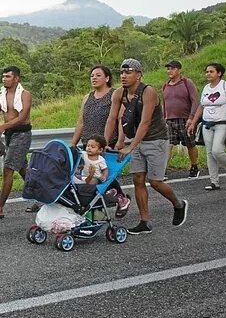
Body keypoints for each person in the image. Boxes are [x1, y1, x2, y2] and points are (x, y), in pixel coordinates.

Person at [104, 58, 189, 234]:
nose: (124, 75)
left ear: (138, 75)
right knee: (138, 180)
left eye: (128, 72)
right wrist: (104, 143)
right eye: (122, 72)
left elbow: (145, 122)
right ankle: (145, 221)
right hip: (138, 140)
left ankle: (178, 204)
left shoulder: (148, 92)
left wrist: (130, 147)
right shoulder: (119, 93)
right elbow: (112, 118)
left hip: (156, 139)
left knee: (156, 182)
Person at [70, 65, 131, 214]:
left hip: (106, 144)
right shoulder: (87, 97)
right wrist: (73, 143)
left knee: (104, 174)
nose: (94, 78)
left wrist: (120, 141)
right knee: (89, 177)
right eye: (92, 75)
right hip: (88, 144)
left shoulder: (114, 95)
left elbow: (120, 119)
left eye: (98, 75)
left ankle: (121, 198)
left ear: (107, 78)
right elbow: (81, 122)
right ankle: (98, 207)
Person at [0, 65, 32, 219]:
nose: (4, 79)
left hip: (22, 134)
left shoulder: (25, 94)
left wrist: (3, 126)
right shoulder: (1, 94)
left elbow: (22, 117)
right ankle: (41, 199)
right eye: (3, 76)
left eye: (8, 76)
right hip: (10, 135)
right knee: (24, 169)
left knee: (8, 169)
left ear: (17, 78)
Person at [186, 63, 226, 191]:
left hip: (222, 123)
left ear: (219, 73)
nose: (208, 74)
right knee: (210, 153)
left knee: (217, 151)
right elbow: (201, 106)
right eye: (207, 72)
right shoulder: (206, 88)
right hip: (207, 124)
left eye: (211, 71)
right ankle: (214, 181)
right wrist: (193, 122)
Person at [162, 60, 200, 179]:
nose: (169, 71)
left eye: (172, 68)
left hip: (185, 119)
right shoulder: (165, 85)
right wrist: (164, 118)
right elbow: (164, 103)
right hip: (169, 120)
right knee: (168, 144)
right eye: (168, 69)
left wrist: (191, 118)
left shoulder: (186, 82)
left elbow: (195, 101)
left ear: (179, 70)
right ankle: (163, 170)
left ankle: (194, 166)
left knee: (190, 144)